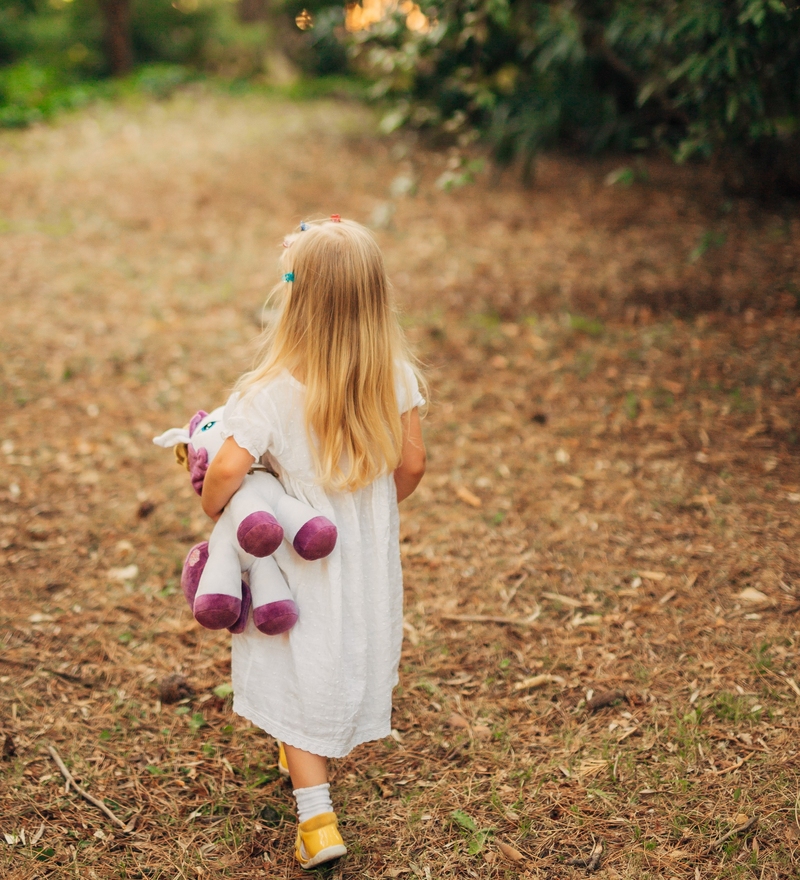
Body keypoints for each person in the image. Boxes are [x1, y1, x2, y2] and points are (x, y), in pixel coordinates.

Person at [200, 216, 426, 869]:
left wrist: (217, 509)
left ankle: (318, 821)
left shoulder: (268, 391)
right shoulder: (395, 373)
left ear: (296, 298)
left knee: (297, 659)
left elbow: (223, 470)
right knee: (339, 646)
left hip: (295, 553)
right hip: (359, 549)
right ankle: (316, 738)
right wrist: (371, 517)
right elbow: (410, 467)